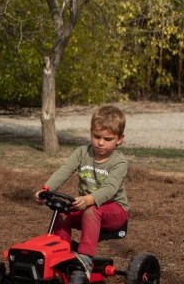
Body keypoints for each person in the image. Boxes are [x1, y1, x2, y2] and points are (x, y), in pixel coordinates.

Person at [41, 104, 130, 269]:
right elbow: (64, 171)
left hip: (115, 211)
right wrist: (46, 189)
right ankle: (62, 252)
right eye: (97, 137)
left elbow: (110, 189)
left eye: (107, 139)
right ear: (91, 133)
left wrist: (88, 199)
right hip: (88, 208)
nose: (101, 143)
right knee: (62, 211)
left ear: (119, 139)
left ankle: (85, 258)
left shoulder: (119, 162)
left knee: (91, 210)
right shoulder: (82, 153)